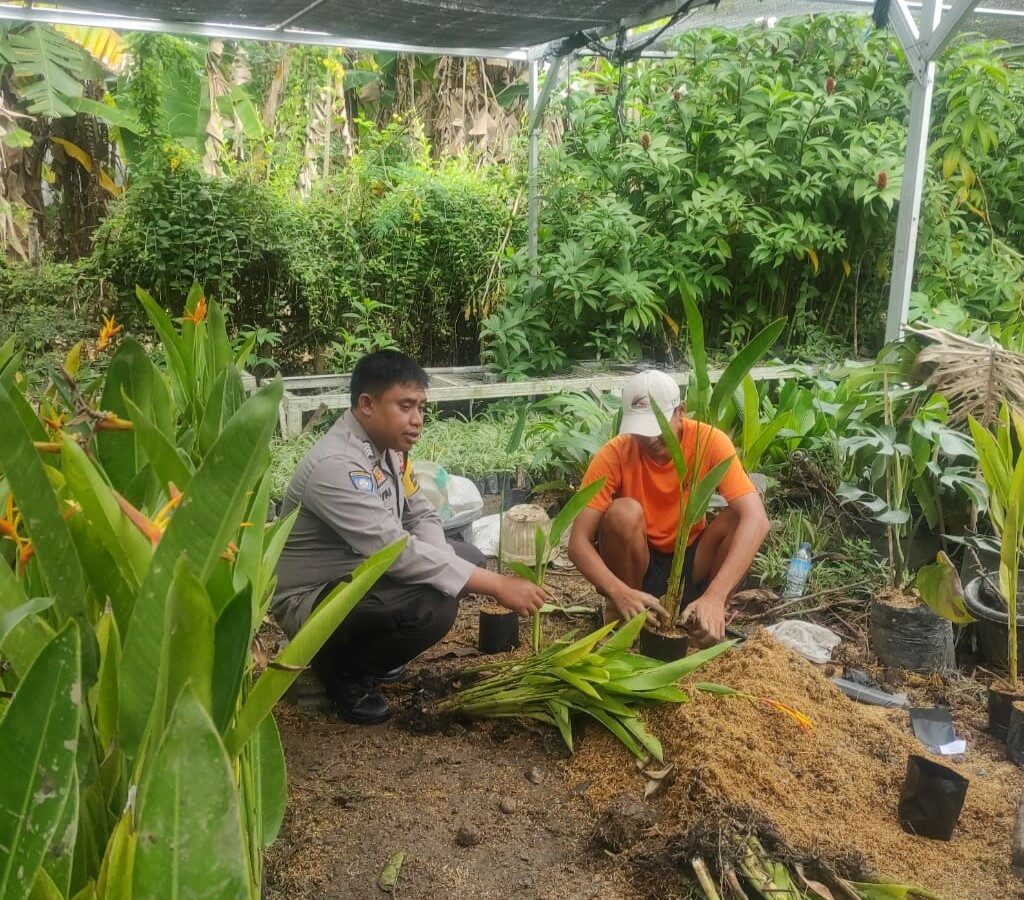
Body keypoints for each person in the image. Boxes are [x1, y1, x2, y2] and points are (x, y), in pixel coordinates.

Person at [273, 350, 546, 724]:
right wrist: (496, 585)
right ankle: (342, 671)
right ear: (367, 404)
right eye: (405, 406)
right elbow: (394, 551)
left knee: (464, 559)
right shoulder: (336, 467)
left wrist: (444, 562)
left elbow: (418, 510)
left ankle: (371, 654)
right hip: (312, 598)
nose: (417, 420)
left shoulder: (391, 450)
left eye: (420, 407)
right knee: (433, 606)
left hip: (360, 575)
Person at [568, 370, 770, 647]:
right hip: (638, 564)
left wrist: (716, 596)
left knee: (739, 516)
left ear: (680, 412)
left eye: (657, 427)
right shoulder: (614, 453)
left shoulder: (709, 441)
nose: (650, 440)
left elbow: (757, 520)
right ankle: (625, 616)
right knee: (622, 513)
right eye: (641, 431)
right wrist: (618, 592)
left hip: (691, 559)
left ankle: (705, 615)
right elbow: (578, 542)